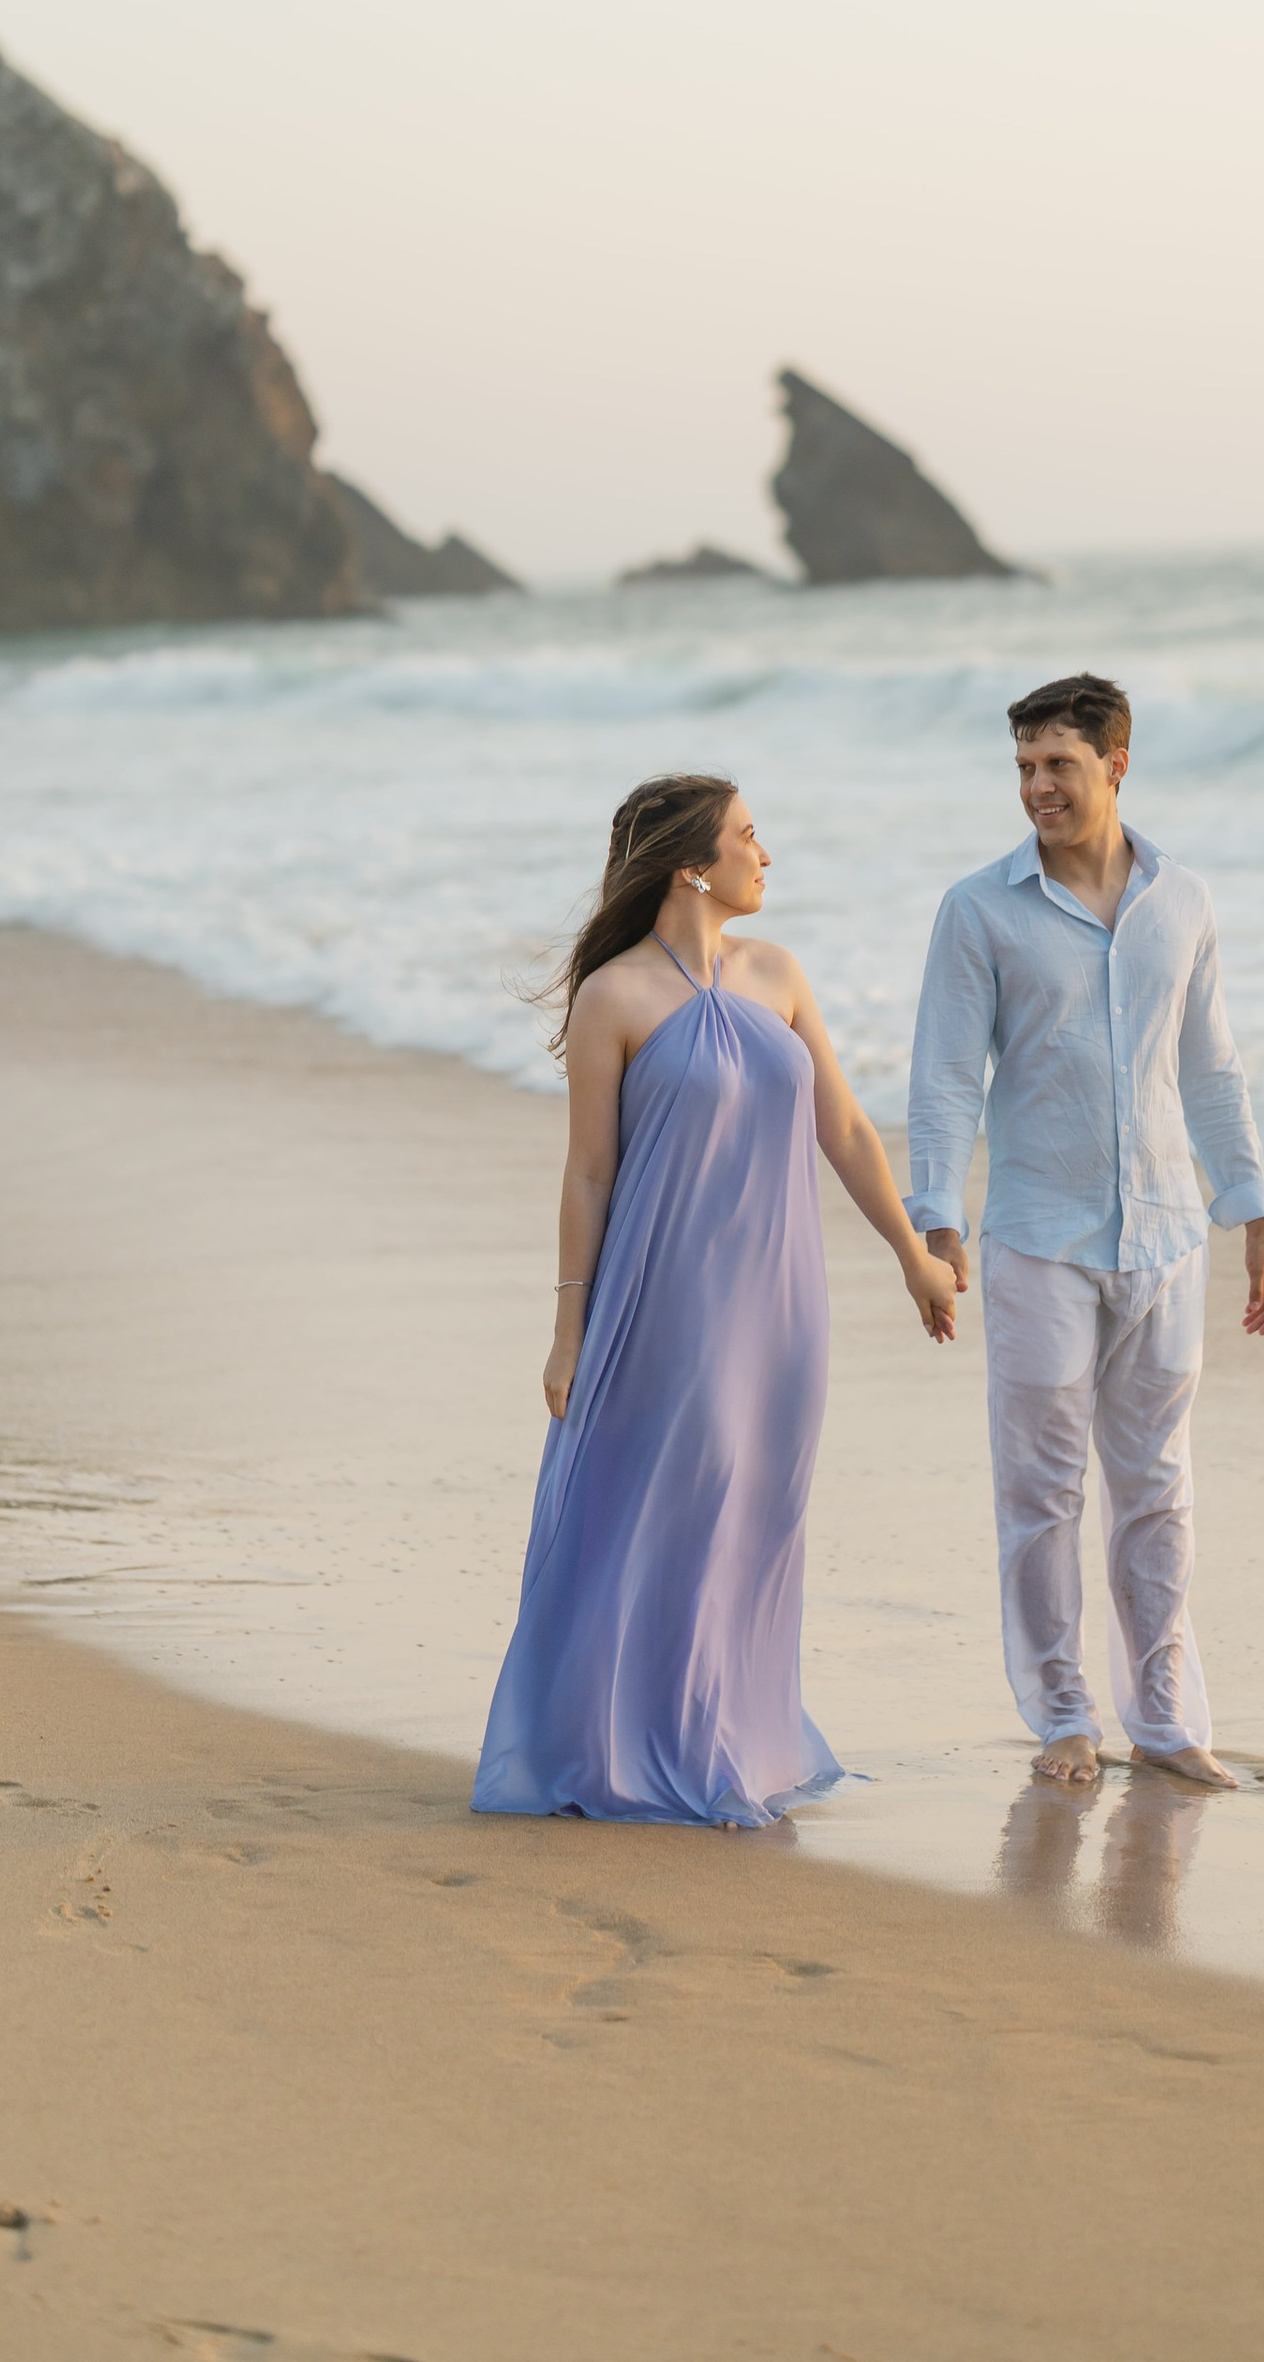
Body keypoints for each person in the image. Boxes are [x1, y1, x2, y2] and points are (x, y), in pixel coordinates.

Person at [473, 770, 961, 1828]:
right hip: (664, 1302)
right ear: (693, 863)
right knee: (674, 1503)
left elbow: (845, 1129)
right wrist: (569, 1332)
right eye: (748, 835)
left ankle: (733, 1735)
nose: (764, 853)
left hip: (780, 1304)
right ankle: (640, 1744)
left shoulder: (778, 974)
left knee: (756, 1511)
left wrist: (911, 1253)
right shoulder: (615, 997)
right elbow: (589, 1173)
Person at [907, 673, 1264, 1792]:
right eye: (1023, 766)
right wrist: (937, 1219)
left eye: (1057, 765)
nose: (1036, 787)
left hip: (1171, 1236)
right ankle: (1062, 1711)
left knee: (1157, 1488)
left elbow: (1212, 1068)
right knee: (1039, 1493)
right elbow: (943, 1079)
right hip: (1037, 1240)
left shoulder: (1184, 900)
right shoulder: (978, 910)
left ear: (1117, 763)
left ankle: (1166, 1720)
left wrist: (1253, 1213)